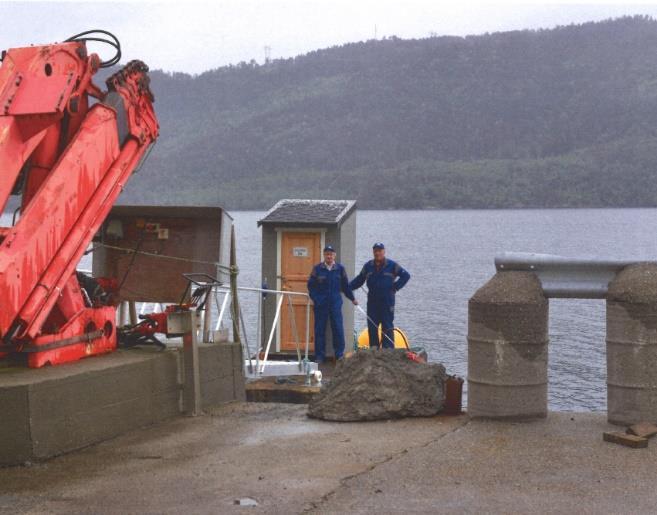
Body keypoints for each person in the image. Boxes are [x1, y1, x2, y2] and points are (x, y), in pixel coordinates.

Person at [350, 242, 410, 349]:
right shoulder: (368, 266)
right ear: (373, 252)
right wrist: (346, 288)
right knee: (372, 326)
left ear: (384, 251)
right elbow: (359, 280)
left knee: (387, 325)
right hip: (372, 301)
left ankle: (388, 351)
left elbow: (406, 275)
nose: (377, 253)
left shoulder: (392, 265)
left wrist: (396, 287)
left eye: (380, 251)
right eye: (375, 251)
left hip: (387, 301)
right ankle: (374, 349)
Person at [307, 245, 358, 363]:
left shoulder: (340, 269)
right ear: (324, 255)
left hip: (335, 303)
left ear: (334, 255)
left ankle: (339, 354)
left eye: (331, 254)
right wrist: (315, 298)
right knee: (319, 329)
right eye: (327, 254)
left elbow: (345, 286)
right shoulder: (317, 269)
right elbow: (310, 286)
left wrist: (352, 298)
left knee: (338, 328)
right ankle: (320, 356)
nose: (329, 256)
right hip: (321, 304)